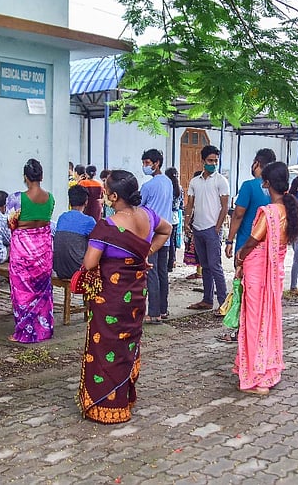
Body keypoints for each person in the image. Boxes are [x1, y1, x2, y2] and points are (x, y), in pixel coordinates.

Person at [77, 170, 171, 423]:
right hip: (136, 293)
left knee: (105, 344)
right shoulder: (148, 216)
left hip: (112, 297)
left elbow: (89, 263)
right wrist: (145, 253)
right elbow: (167, 229)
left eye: (106, 189)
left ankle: (106, 405)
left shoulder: (107, 226)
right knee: (127, 343)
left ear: (114, 195)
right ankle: (122, 399)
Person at [233, 162, 298, 395]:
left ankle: (256, 376)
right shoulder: (287, 209)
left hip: (258, 271)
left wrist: (240, 256)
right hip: (274, 272)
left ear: (267, 183)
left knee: (254, 321)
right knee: (268, 320)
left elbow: (253, 240)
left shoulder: (269, 211)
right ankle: (266, 368)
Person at [7, 159, 56, 343]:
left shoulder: (16, 198)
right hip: (44, 250)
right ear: (41, 176)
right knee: (42, 291)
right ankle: (44, 331)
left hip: (22, 251)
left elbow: (11, 224)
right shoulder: (50, 198)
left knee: (22, 292)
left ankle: (23, 333)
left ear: (25, 177)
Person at [185, 145, 230, 311]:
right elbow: (190, 204)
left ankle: (224, 303)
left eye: (216, 161)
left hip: (212, 229)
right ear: (203, 160)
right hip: (198, 228)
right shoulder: (195, 181)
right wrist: (186, 222)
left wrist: (217, 228)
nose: (213, 164)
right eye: (210, 160)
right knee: (205, 266)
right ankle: (207, 300)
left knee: (215, 266)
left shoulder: (221, 181)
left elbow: (225, 207)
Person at [140, 149, 173, 324]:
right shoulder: (168, 182)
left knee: (151, 273)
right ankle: (163, 308)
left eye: (147, 163)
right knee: (162, 273)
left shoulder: (148, 186)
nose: (145, 166)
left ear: (156, 163)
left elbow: (139, 205)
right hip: (165, 232)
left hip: (152, 233)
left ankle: (153, 313)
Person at [225, 148, 276, 262]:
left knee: (241, 277)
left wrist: (229, 241)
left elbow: (238, 215)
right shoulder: (276, 188)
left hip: (246, 243)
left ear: (256, 163)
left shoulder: (248, 186)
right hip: (269, 245)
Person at [53, 186, 97, 279]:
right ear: (86, 202)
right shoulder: (89, 221)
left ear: (70, 201)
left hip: (59, 269)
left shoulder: (62, 217)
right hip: (77, 270)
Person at [183, 170, 203, 279]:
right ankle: (200, 271)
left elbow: (191, 207)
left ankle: (200, 272)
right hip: (196, 222)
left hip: (198, 223)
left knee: (198, 249)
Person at [165, 167, 183, 271]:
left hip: (167, 216)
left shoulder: (167, 188)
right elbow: (181, 205)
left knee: (167, 241)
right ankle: (172, 262)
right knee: (173, 241)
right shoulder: (179, 188)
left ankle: (168, 263)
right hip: (176, 217)